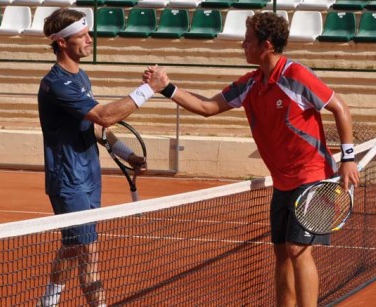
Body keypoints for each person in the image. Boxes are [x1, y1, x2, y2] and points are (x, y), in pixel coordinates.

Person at [144, 12, 360, 307]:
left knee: (298, 250)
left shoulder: (295, 76)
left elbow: (341, 107)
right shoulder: (250, 84)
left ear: (266, 45)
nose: (242, 45)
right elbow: (207, 107)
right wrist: (166, 88)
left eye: (247, 41)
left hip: (313, 179)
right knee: (282, 252)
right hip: (283, 182)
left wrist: (348, 159)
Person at [37, 8, 168, 307]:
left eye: (88, 34)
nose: (89, 40)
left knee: (72, 247)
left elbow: (96, 127)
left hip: (89, 176)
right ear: (61, 43)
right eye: (81, 36)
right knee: (88, 253)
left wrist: (129, 155)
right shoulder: (57, 83)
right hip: (68, 181)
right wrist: (149, 89)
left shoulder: (80, 76)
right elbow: (105, 116)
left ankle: (47, 303)